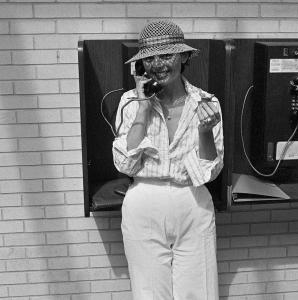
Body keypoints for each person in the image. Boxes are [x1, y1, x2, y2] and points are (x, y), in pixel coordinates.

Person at [112, 20, 223, 300]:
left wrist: (205, 131)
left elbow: (209, 172)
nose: (157, 64)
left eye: (166, 55)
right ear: (141, 66)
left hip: (192, 200)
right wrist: (142, 109)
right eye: (149, 58)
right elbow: (124, 164)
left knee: (200, 291)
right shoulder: (130, 102)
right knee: (148, 292)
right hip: (144, 201)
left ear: (184, 57)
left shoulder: (206, 102)